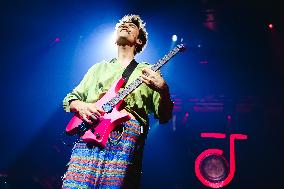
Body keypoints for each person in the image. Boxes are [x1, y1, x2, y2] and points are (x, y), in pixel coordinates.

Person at [62, 14, 173, 189]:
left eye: (132, 26)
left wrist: (164, 90)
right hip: (90, 134)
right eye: (122, 24)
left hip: (125, 138)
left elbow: (164, 116)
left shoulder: (149, 71)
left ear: (139, 41)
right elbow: (70, 99)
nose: (125, 25)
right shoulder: (99, 68)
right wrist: (82, 106)